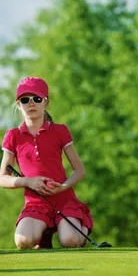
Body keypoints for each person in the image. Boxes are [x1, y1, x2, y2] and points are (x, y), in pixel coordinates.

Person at [0, 77, 93, 249]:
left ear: (46, 103)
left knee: (71, 241)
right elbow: (3, 178)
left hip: (64, 200)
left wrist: (63, 187)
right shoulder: (13, 136)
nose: (31, 104)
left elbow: (79, 170)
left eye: (37, 99)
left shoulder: (60, 131)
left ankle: (83, 227)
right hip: (36, 203)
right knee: (23, 241)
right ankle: (45, 233)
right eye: (25, 100)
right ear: (19, 105)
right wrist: (27, 181)